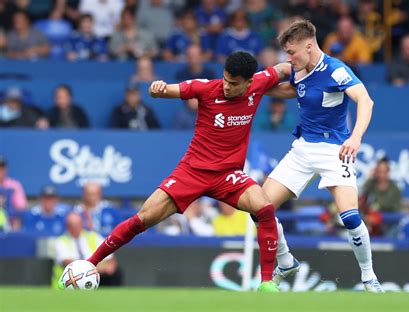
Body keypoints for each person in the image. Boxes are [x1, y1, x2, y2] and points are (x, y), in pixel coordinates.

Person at [85, 51, 291, 292]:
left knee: (264, 207)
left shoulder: (259, 83)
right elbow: (167, 91)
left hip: (228, 175)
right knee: (143, 218)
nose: (226, 86)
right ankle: (89, 263)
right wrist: (157, 89)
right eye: (225, 78)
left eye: (234, 84)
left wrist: (315, 72)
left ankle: (266, 283)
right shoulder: (205, 88)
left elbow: (285, 69)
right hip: (193, 172)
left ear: (248, 82)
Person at [260, 20, 384, 292]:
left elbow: (365, 100)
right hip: (303, 148)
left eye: (291, 52)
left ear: (308, 45)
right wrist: (255, 86)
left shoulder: (336, 70)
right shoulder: (298, 69)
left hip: (335, 149)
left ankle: (369, 277)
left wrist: (356, 137)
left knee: (350, 217)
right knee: (259, 208)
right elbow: (289, 90)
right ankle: (285, 260)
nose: (288, 58)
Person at [52, 212, 122, 288]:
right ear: (67, 226)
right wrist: (94, 269)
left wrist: (106, 267)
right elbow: (68, 263)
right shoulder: (61, 241)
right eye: (72, 225)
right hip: (69, 282)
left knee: (116, 271)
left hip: (95, 276)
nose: (75, 227)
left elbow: (110, 260)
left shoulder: (93, 236)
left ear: (81, 224)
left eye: (77, 224)